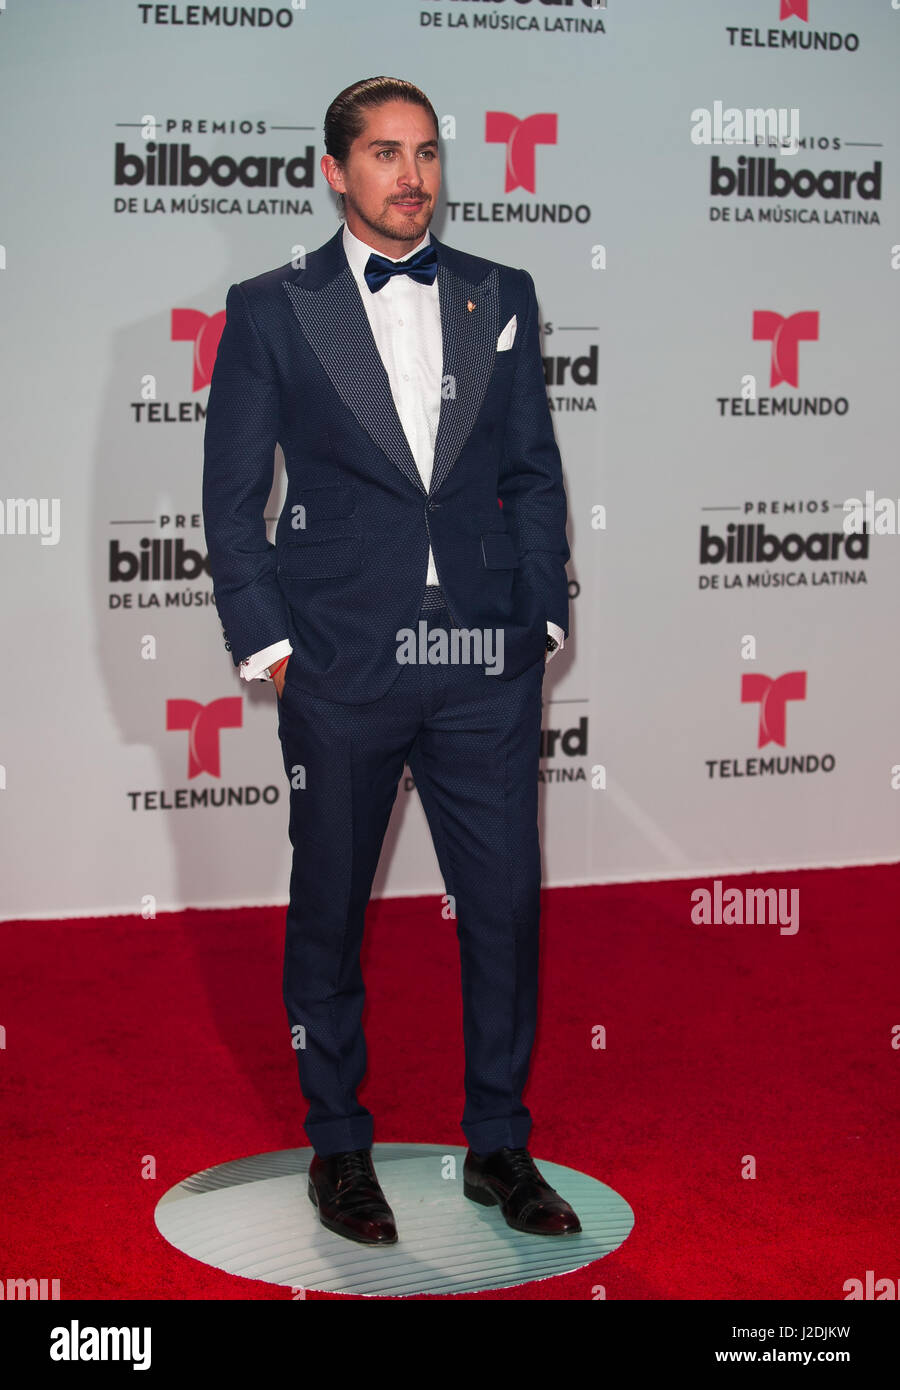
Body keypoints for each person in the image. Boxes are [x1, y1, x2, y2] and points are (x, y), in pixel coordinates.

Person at [202, 76, 580, 1246]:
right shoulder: (271, 308)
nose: (411, 176)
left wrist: (540, 620)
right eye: (382, 154)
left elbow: (532, 468)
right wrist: (275, 653)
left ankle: (499, 1142)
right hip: (340, 665)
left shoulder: (498, 292)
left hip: (483, 664)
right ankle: (338, 1149)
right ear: (334, 170)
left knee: (506, 905)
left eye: (424, 154)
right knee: (329, 912)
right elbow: (230, 502)